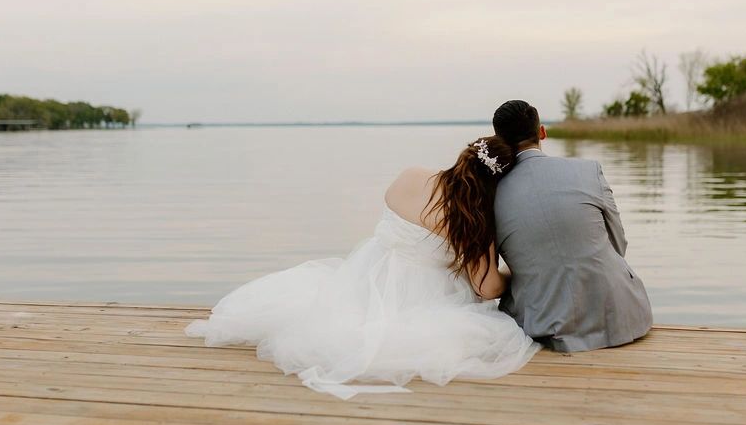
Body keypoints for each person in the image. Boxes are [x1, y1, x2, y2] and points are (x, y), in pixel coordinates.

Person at [185, 135, 538, 399]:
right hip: (419, 295)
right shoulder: (474, 221)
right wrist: (513, 272)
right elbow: (486, 288)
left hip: (366, 274)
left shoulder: (411, 176)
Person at [492, 100, 653, 352]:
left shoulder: (489, 193)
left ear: (498, 140)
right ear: (542, 132)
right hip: (624, 317)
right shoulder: (589, 170)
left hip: (547, 324)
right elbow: (618, 244)